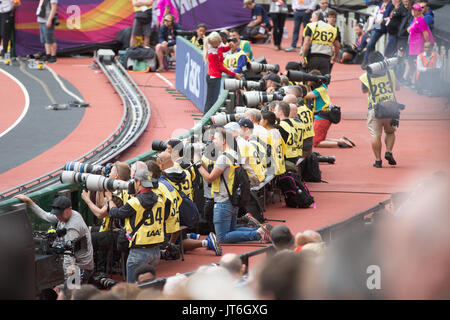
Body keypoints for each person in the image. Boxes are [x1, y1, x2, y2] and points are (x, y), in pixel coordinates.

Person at [195, 127, 272, 244]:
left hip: (223, 200)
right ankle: (260, 230)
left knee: (222, 237)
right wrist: (201, 162)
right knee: (232, 230)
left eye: (215, 138)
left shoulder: (223, 157)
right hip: (232, 198)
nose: (213, 141)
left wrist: (197, 164)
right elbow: (216, 171)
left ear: (224, 141)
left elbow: (210, 178)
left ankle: (257, 234)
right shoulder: (234, 154)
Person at [15, 194, 94, 283]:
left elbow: (69, 259)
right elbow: (46, 216)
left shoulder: (72, 228)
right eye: (57, 214)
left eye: (60, 214)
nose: (58, 217)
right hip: (72, 261)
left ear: (69, 209)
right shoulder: (68, 215)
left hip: (81, 267)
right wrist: (30, 202)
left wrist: (65, 282)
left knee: (71, 291)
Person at [107, 168, 165, 283]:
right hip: (156, 251)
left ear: (138, 182)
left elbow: (116, 213)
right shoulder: (160, 200)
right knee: (148, 287)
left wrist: (110, 200)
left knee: (133, 289)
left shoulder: (134, 202)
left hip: (139, 251)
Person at [360, 51, 400, 168]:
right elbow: (397, 87)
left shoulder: (365, 76)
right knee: (390, 132)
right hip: (390, 108)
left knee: (376, 135)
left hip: (375, 109)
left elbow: (364, 91)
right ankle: (389, 151)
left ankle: (378, 160)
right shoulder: (390, 73)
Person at [303, 69, 354, 149]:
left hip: (322, 118)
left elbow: (306, 95)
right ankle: (341, 140)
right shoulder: (323, 87)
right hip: (324, 116)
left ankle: (341, 144)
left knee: (316, 143)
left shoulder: (319, 90)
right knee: (321, 139)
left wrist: (305, 85)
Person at [203, 31, 241, 114]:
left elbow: (223, 49)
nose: (221, 43)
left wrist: (229, 46)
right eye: (219, 42)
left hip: (213, 77)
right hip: (214, 78)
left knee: (211, 99)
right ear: (214, 43)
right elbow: (221, 68)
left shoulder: (217, 48)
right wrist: (234, 74)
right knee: (212, 100)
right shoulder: (213, 54)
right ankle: (207, 116)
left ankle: (207, 115)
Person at [300, 10, 340, 76]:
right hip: (326, 59)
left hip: (312, 58)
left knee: (310, 81)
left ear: (316, 18)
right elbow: (337, 45)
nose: (310, 19)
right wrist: (335, 56)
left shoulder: (311, 26)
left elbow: (306, 43)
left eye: (312, 17)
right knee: (323, 81)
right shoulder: (332, 29)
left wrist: (303, 57)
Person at [407, 3, 434, 88]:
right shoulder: (415, 19)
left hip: (418, 46)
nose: (413, 11)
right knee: (412, 63)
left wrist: (427, 47)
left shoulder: (421, 20)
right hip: (413, 46)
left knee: (417, 65)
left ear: (419, 11)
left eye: (415, 10)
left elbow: (426, 35)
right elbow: (409, 30)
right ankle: (415, 81)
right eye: (412, 9)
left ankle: (417, 84)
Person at [363, 0, 394, 65]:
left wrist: (382, 21)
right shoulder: (381, 3)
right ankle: (371, 61)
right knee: (371, 44)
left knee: (370, 44)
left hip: (382, 26)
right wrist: (370, 26)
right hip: (376, 25)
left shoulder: (391, 4)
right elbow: (376, 15)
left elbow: (389, 16)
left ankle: (365, 61)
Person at [260, 110, 286, 176]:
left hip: (273, 167)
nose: (259, 121)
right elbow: (284, 149)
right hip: (281, 165)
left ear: (265, 122)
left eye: (261, 119)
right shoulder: (277, 132)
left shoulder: (267, 134)